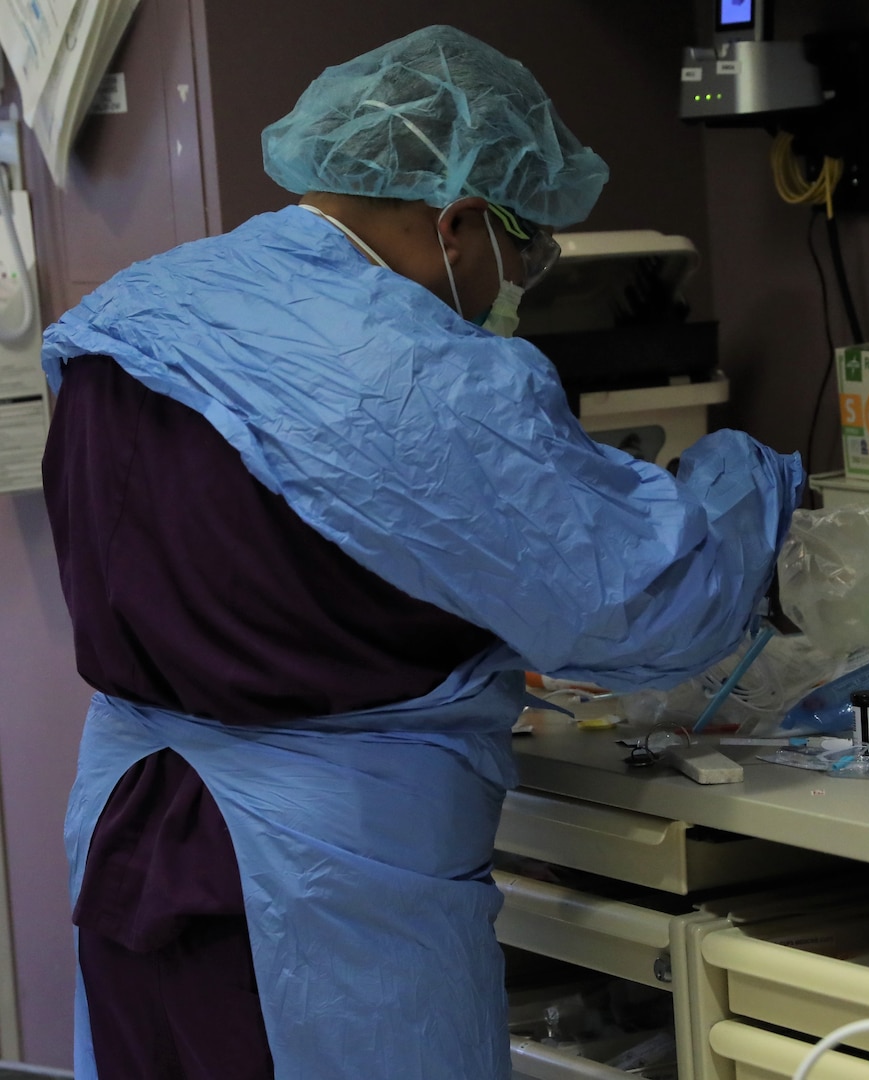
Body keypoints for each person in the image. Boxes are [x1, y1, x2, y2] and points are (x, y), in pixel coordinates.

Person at [40, 24, 804, 1080]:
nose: (517, 281)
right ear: (455, 224)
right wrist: (745, 481)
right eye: (523, 247)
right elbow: (645, 608)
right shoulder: (418, 375)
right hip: (312, 887)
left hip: (133, 831)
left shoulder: (135, 309)